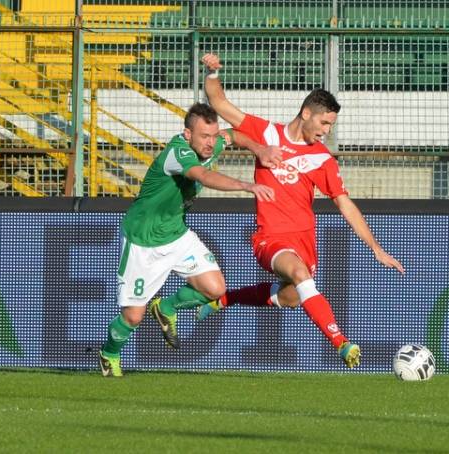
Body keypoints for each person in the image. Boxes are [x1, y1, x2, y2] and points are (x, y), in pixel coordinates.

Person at [196, 53, 406, 369]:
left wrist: (375, 247)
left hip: (305, 241)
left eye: (330, 126)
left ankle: (224, 299)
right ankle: (342, 343)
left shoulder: (322, 159)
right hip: (271, 239)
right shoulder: (267, 135)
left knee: (292, 296)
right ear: (306, 113)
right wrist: (211, 73)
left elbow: (344, 203)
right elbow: (220, 103)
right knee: (299, 275)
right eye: (323, 123)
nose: (325, 131)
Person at [98, 102, 280, 377]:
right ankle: (109, 353)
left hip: (177, 235)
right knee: (133, 316)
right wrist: (247, 185)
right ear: (187, 134)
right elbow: (203, 175)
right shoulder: (177, 153)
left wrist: (261, 149)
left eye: (213, 135)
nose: (211, 143)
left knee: (216, 289)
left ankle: (166, 307)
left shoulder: (212, 143)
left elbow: (234, 135)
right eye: (204, 136)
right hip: (143, 240)